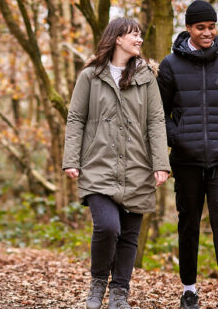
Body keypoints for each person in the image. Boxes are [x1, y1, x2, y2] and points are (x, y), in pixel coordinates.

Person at [62, 17, 170, 309]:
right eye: (134, 35)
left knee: (129, 237)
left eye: (140, 36)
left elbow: (156, 121)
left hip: (138, 166)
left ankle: (120, 292)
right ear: (117, 38)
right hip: (98, 165)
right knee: (108, 227)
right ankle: (98, 283)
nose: (139, 40)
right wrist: (71, 159)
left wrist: (161, 163)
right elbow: (76, 118)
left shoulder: (147, 76)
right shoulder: (90, 76)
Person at [157, 0, 218, 309]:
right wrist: (178, 139)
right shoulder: (170, 65)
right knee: (189, 223)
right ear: (188, 29)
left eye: (211, 27)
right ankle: (189, 290)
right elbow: (159, 113)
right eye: (201, 28)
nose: (207, 33)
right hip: (186, 161)